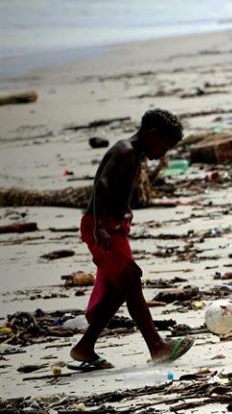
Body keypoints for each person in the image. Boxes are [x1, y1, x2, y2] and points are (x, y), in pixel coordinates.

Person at [69, 109, 193, 370]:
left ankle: (85, 347)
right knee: (130, 278)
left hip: (113, 227)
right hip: (101, 228)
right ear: (151, 134)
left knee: (119, 288)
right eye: (164, 146)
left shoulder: (135, 154)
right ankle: (157, 346)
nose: (163, 153)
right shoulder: (125, 150)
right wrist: (100, 226)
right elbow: (101, 184)